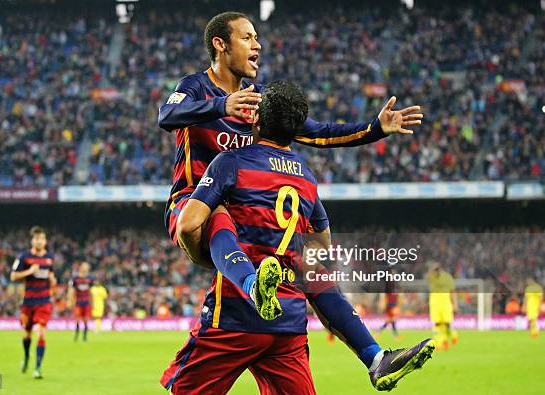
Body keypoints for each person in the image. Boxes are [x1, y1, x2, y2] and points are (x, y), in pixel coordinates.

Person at [158, 9, 423, 374]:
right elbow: (166, 116)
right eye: (248, 38)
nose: (258, 45)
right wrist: (221, 105)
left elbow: (318, 132)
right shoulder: (194, 86)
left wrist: (375, 128)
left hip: (248, 214)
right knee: (218, 214)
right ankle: (253, 286)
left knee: (307, 265)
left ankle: (375, 357)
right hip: (195, 204)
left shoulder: (260, 97)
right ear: (220, 45)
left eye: (257, 38)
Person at [10, 226, 56, 379]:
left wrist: (52, 280)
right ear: (32, 240)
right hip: (28, 302)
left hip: (44, 301)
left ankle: (38, 367)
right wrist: (30, 271)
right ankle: (27, 357)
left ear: (45, 241)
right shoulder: (23, 257)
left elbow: (51, 276)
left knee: (41, 333)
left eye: (42, 239)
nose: (40, 241)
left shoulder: (49, 258)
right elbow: (13, 276)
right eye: (37, 239)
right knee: (26, 334)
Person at [427, 263, 459, 350]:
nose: (436, 271)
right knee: (437, 323)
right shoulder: (432, 276)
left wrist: (455, 304)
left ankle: (452, 335)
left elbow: (453, 291)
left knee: (447, 323)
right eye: (435, 269)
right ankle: (440, 343)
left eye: (437, 269)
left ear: (441, 269)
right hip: (434, 302)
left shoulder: (447, 277)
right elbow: (427, 276)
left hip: (445, 301)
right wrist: (432, 269)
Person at [68, 261, 94, 342]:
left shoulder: (89, 279)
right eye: (85, 266)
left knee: (86, 320)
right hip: (78, 302)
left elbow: (91, 291)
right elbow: (72, 291)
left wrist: (92, 302)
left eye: (87, 267)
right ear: (81, 267)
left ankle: (84, 337)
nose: (87, 268)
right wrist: (70, 301)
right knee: (78, 320)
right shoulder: (75, 279)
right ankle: (76, 336)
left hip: (86, 302)